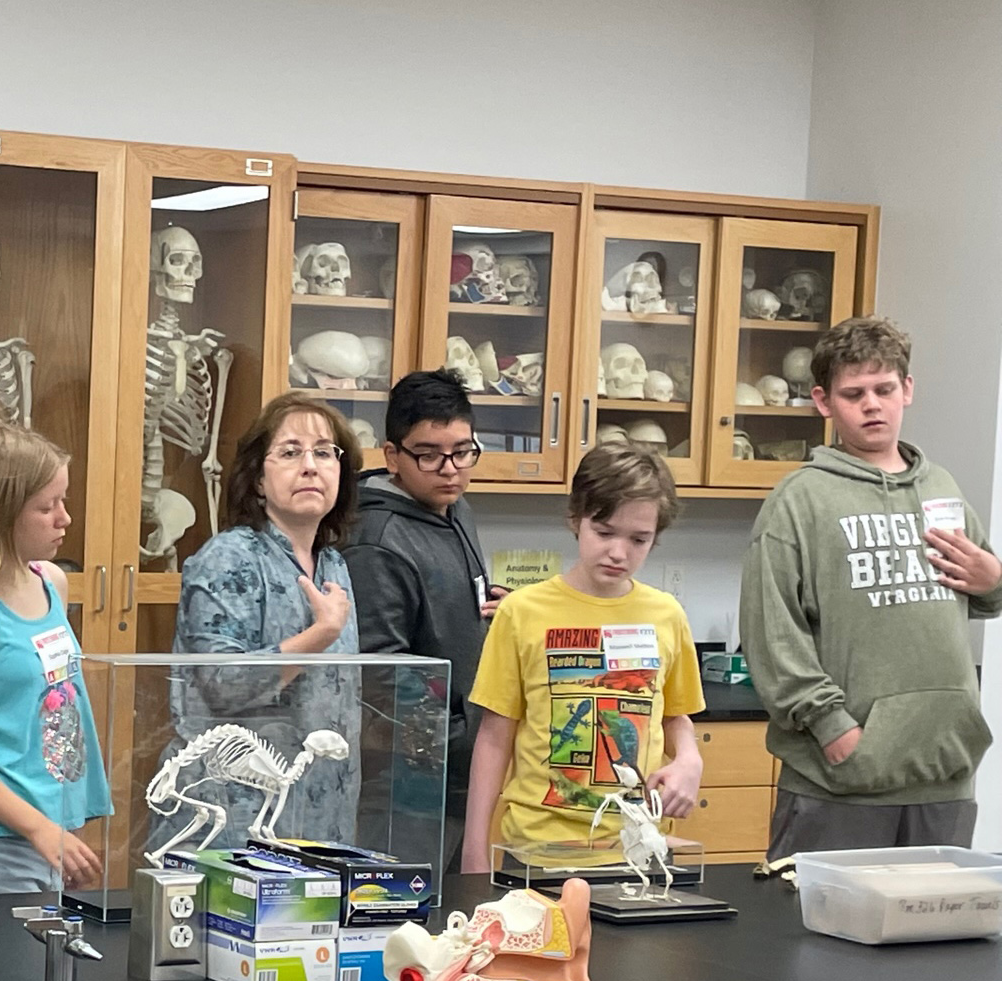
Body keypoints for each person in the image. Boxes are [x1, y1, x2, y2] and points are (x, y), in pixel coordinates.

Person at [741, 317, 1002, 857]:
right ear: (823, 401)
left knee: (936, 937)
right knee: (812, 939)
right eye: (853, 394)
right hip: (838, 784)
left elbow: (985, 589)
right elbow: (772, 633)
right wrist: (833, 728)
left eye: (884, 389)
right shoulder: (799, 501)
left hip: (944, 776)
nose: (872, 405)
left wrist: (994, 579)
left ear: (907, 389)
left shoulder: (941, 487)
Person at [462, 444, 704, 873]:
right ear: (576, 519)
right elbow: (495, 737)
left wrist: (689, 757)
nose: (619, 552)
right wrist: (474, 850)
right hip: (538, 849)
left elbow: (675, 716)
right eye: (604, 531)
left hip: (636, 847)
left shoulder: (666, 615)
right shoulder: (522, 612)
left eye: (638, 539)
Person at [170, 392, 363, 852]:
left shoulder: (333, 564)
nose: (311, 466)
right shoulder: (229, 557)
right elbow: (223, 684)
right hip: (234, 814)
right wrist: (321, 635)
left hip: (324, 810)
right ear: (258, 480)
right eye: (290, 452)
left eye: (324, 452)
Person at [0, 424, 111, 893]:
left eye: (63, 501)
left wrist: (58, 829)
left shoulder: (53, 582)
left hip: (55, 836)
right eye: (46, 506)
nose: (64, 519)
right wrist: (35, 827)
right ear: (0, 513)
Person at [343, 370, 499, 869]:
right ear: (392, 456)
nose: (450, 468)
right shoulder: (377, 538)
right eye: (429, 454)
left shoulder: (455, 508)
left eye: (463, 451)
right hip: (407, 785)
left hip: (462, 768)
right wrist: (459, 738)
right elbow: (381, 674)